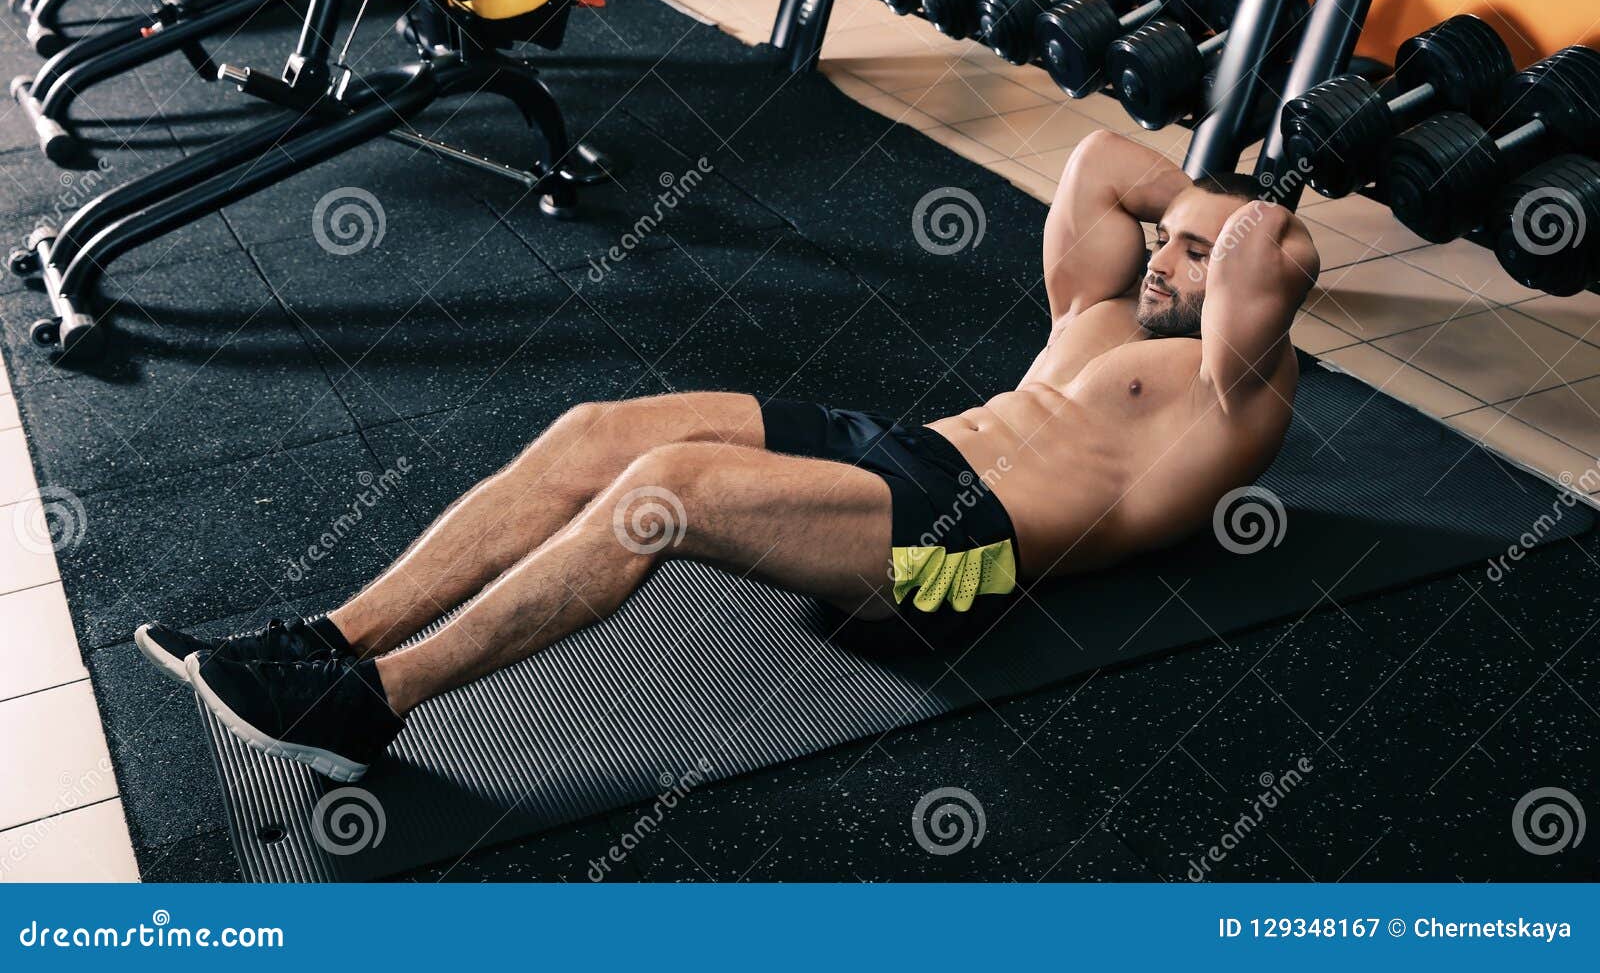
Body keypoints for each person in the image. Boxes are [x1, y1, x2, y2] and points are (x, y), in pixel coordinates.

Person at [136, 130, 1321, 781]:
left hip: (963, 546)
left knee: (668, 491)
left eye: (1193, 252)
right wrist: (1193, 204)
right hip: (903, 454)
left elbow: (1271, 246)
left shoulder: (1236, 392)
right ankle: (331, 640)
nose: (1163, 255)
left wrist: (1271, 179)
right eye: (1165, 236)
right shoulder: (1100, 311)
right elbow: (1099, 156)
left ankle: (371, 703)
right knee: (599, 429)